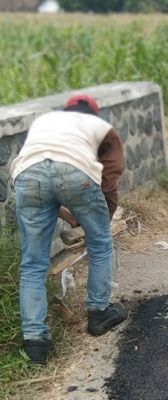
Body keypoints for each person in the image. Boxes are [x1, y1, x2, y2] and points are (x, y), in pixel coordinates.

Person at [11, 95, 128, 365]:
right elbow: (109, 178)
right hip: (76, 173)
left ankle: (35, 343)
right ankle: (99, 314)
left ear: (67, 110)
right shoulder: (101, 128)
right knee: (100, 244)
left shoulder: (45, 121)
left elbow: (45, 174)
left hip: (28, 177)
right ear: (93, 113)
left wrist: (69, 214)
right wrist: (102, 220)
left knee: (32, 263)